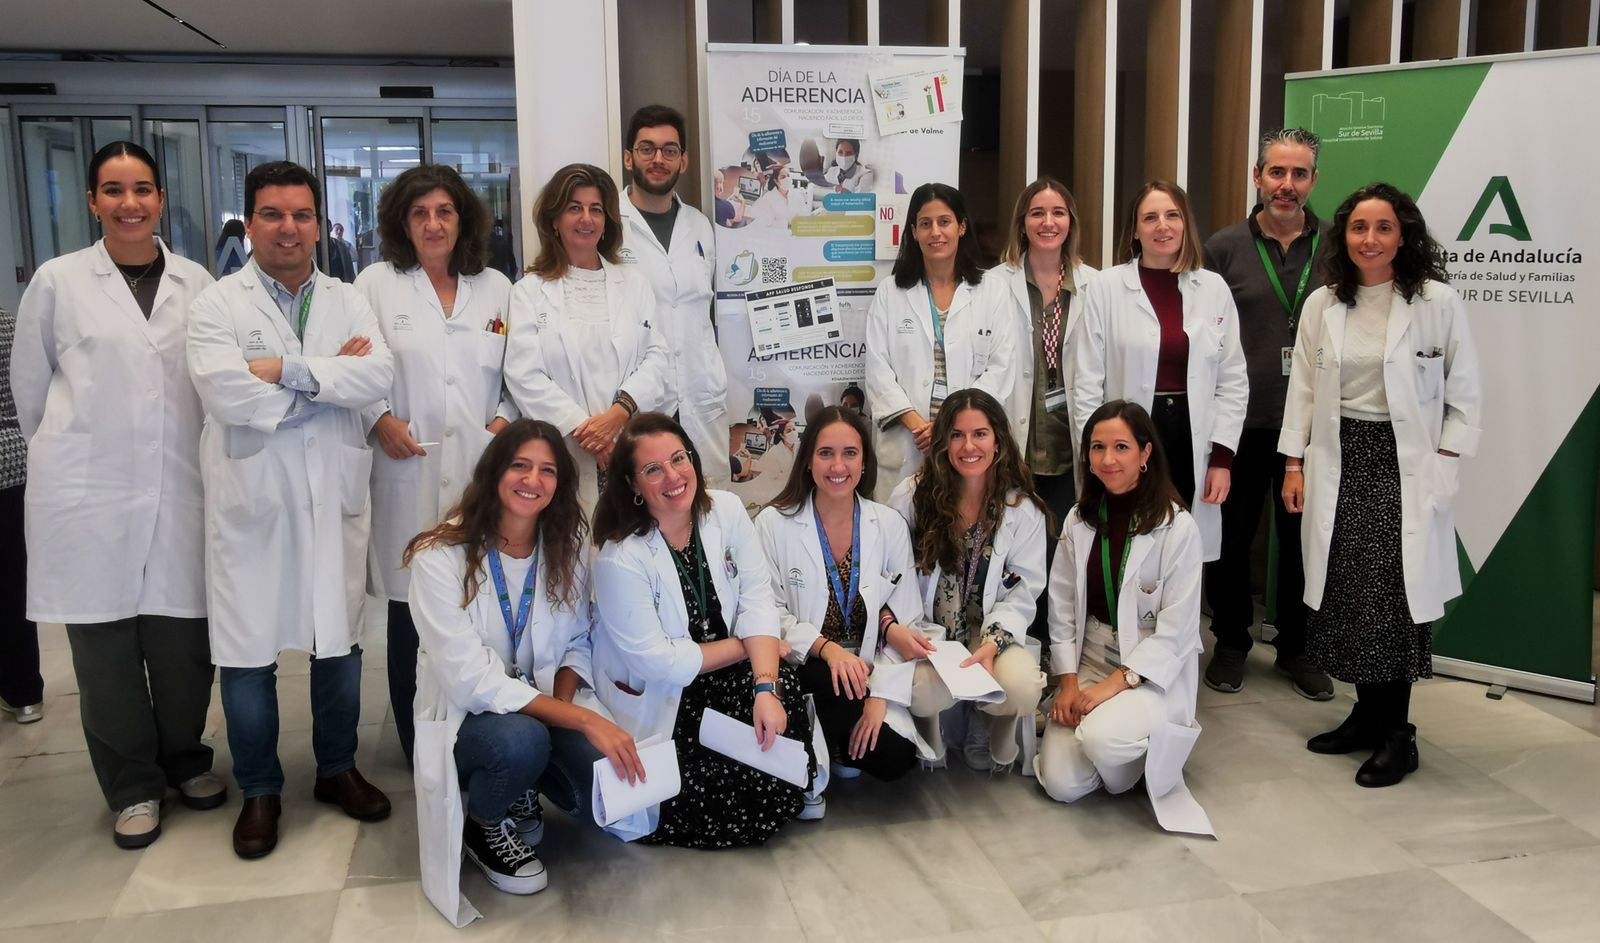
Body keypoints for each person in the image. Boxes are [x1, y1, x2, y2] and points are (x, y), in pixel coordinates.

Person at [10, 141, 223, 849]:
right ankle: (132, 785)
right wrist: (78, 453)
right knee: (102, 653)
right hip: (88, 490)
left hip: (180, 486)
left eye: (141, 189)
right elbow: (32, 391)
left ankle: (185, 759)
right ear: (95, 200)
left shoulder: (198, 282)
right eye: (113, 190)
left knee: (183, 645)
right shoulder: (58, 281)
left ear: (161, 199)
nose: (129, 203)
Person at [187, 159, 395, 858]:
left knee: (338, 643)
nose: (288, 228)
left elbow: (378, 374)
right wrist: (327, 381)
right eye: (273, 214)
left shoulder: (347, 298)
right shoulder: (217, 304)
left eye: (302, 215)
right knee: (248, 655)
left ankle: (336, 769)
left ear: (319, 223)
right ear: (250, 223)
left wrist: (284, 370)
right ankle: (260, 787)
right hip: (254, 504)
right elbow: (225, 395)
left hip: (330, 494)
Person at [1281, 182, 1481, 788]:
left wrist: (1444, 464)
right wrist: (1293, 463)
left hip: (1404, 469)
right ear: (1344, 236)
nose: (1371, 239)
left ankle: (1399, 735)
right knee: (1347, 595)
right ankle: (1366, 717)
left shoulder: (1435, 302)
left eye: (1384, 227)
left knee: (1391, 602)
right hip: (1340, 462)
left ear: (1404, 235)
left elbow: (1465, 391)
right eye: (1359, 228)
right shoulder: (1323, 303)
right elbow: (1305, 391)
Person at [407, 419, 641, 924]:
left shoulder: (566, 546)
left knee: (603, 794)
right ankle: (485, 821)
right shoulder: (438, 557)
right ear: (493, 472)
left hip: (543, 704)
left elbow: (579, 637)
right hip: (473, 721)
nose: (532, 479)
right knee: (520, 742)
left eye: (547, 470)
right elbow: (472, 681)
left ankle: (521, 790)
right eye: (520, 465)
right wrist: (578, 719)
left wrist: (566, 710)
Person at [590, 412, 816, 847]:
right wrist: (746, 647)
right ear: (633, 485)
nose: (672, 476)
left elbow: (756, 597)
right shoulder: (620, 558)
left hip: (726, 675)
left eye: (679, 459)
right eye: (653, 469)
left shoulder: (726, 511)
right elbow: (661, 663)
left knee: (781, 684)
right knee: (730, 802)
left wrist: (765, 689)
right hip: (669, 698)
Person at [355, 163, 516, 766]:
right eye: (419, 213)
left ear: (463, 219)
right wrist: (377, 416)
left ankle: (476, 725)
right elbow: (352, 365)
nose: (432, 223)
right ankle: (414, 737)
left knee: (477, 595)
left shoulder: (497, 287)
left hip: (481, 465)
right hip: (406, 464)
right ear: (402, 221)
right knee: (410, 608)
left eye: (443, 211)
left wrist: (500, 422)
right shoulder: (374, 284)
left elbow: (516, 371)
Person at [1036, 400, 1212, 835]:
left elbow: (1177, 632)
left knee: (1101, 737)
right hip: (1091, 656)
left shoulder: (1177, 527)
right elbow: (1060, 606)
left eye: (1121, 447)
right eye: (1097, 447)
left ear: (1145, 454)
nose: (1108, 459)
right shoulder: (1080, 519)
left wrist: (1112, 688)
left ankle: (1137, 754)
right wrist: (1071, 683)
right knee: (1062, 784)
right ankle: (1116, 752)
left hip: (1149, 670)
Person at [1200, 129, 1333, 700]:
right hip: (1241, 422)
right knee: (1230, 538)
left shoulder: (1336, 246)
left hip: (1314, 423)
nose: (1287, 185)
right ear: (1257, 178)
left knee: (1306, 538)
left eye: (1298, 174)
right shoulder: (1223, 247)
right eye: (1276, 173)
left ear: (1312, 181)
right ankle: (1231, 641)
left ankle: (1298, 647)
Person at [756, 406, 933, 806]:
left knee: (895, 759)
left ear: (865, 461)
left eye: (850, 453)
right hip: (808, 664)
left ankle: (826, 739)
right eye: (826, 453)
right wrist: (828, 650)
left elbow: (906, 617)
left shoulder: (887, 525)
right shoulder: (773, 523)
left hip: (869, 668)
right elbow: (769, 613)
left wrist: (878, 697)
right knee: (825, 679)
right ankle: (817, 749)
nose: (838, 466)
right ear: (807, 460)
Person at [1071, 180, 1248, 563]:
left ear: (1186, 224)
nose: (1162, 226)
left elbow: (1232, 380)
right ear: (1135, 230)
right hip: (1129, 434)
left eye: (1172, 215)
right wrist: (1094, 453)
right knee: (1128, 539)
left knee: (1180, 544)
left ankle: (1176, 622)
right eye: (1150, 218)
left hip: (1191, 433)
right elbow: (1086, 380)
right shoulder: (1106, 287)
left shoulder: (1213, 287)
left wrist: (1221, 459)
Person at [887, 388, 1048, 771]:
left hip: (990, 633)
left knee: (1023, 687)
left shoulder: (1020, 509)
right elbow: (892, 578)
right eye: (957, 435)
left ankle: (993, 730)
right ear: (942, 442)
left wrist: (993, 645)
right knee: (921, 692)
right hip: (928, 633)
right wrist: (904, 630)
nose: (968, 446)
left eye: (980, 434)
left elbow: (1023, 593)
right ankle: (928, 732)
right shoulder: (910, 497)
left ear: (998, 441)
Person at [504, 163, 675, 512]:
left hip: (629, 442)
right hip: (565, 448)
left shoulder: (634, 284)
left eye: (595, 209)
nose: (586, 218)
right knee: (570, 553)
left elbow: (657, 357)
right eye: (574, 208)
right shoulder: (529, 292)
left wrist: (618, 415)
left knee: (632, 548)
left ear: (607, 220)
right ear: (554, 220)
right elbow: (524, 374)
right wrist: (589, 434)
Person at [992, 176, 1099, 644]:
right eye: (1037, 212)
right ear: (1023, 222)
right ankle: (1015, 648)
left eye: (1058, 212)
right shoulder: (995, 284)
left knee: (1062, 554)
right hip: (1014, 442)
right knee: (1013, 554)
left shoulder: (1094, 285)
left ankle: (1059, 657)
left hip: (1066, 443)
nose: (1048, 221)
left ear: (1071, 222)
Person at [863, 183, 1015, 499]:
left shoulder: (993, 290)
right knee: (902, 537)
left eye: (944, 222)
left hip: (967, 440)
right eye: (925, 223)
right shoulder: (891, 293)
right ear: (914, 232)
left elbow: (1001, 369)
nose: (936, 232)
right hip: (911, 440)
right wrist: (921, 426)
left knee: (964, 532)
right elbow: (878, 372)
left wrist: (950, 426)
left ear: (961, 227)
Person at [619, 105, 731, 489]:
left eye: (669, 150)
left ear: (683, 161)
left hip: (701, 394)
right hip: (643, 398)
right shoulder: (609, 228)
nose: (658, 159)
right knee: (646, 512)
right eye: (647, 148)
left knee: (710, 507)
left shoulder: (700, 226)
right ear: (628, 157)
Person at [0, 304, 42, 729]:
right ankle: (25, 693)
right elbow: (29, 391)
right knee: (13, 586)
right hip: (11, 463)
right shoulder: (6, 321)